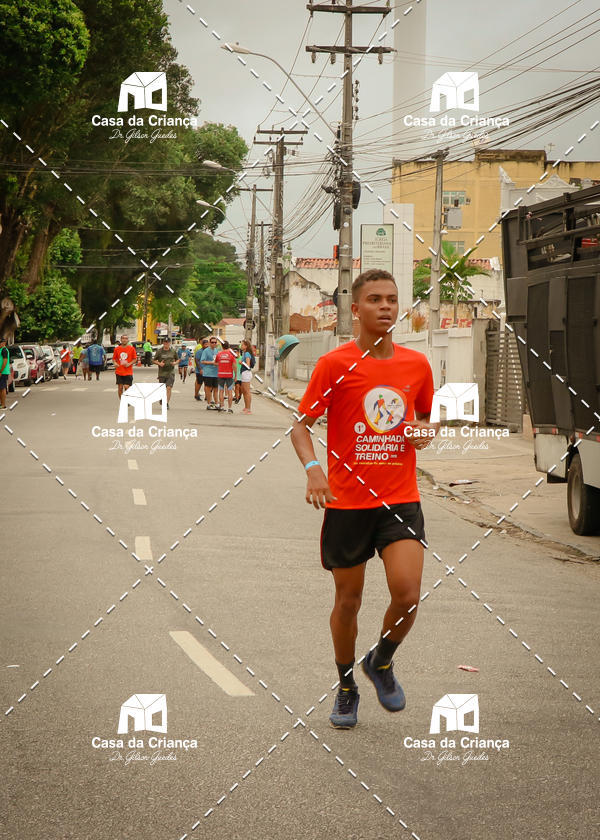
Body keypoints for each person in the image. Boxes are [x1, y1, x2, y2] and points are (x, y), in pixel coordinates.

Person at [290, 269, 438, 730]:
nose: (386, 306)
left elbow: (425, 418)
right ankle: (346, 685)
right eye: (375, 299)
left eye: (391, 299)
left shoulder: (417, 365)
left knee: (407, 595)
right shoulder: (334, 365)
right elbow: (300, 427)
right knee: (348, 602)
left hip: (400, 500)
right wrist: (314, 471)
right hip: (348, 504)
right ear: (356, 309)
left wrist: (424, 432)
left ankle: (381, 660)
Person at [153, 336, 178, 408]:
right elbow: (153, 360)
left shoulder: (173, 351)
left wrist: (175, 363)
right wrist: (159, 363)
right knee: (162, 388)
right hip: (162, 373)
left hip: (170, 372)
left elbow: (178, 359)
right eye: (165, 342)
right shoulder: (159, 351)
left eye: (167, 342)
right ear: (163, 343)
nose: (166, 344)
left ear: (170, 343)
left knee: (169, 387)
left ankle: (166, 403)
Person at [215, 340, 237, 413]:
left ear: (222, 346)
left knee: (221, 391)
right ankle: (229, 408)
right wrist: (236, 375)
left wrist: (221, 364)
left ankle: (221, 407)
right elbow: (234, 366)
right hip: (229, 374)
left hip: (221, 374)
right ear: (229, 346)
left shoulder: (219, 354)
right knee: (229, 391)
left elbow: (215, 363)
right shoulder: (231, 355)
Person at [113, 334, 137, 400]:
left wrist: (129, 364)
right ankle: (122, 402)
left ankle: (127, 399)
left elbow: (135, 359)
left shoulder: (131, 349)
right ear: (121, 340)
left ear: (128, 340)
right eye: (123, 338)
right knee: (120, 388)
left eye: (126, 338)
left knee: (126, 387)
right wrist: (115, 363)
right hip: (119, 371)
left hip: (128, 371)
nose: (124, 340)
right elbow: (114, 359)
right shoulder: (117, 349)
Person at [200, 336, 219, 410]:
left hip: (216, 372)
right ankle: (209, 403)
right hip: (208, 372)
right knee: (208, 388)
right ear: (209, 343)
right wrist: (211, 362)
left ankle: (216, 403)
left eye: (215, 342)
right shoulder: (206, 351)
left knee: (216, 388)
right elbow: (202, 361)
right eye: (212, 342)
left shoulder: (217, 350)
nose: (214, 344)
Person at [239, 338, 254, 414]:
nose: (241, 346)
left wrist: (241, 363)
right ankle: (246, 407)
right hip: (244, 373)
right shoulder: (244, 353)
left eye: (242, 345)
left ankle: (248, 408)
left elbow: (248, 365)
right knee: (244, 391)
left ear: (246, 346)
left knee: (247, 391)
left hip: (246, 373)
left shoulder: (247, 354)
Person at [0, 337, 9, 409]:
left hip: (3, 372)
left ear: (4, 343)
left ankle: (3, 405)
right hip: (1, 371)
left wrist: (1, 371)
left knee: (2, 388)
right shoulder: (1, 350)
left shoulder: (4, 350)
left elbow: (5, 361)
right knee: (0, 388)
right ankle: (1, 403)